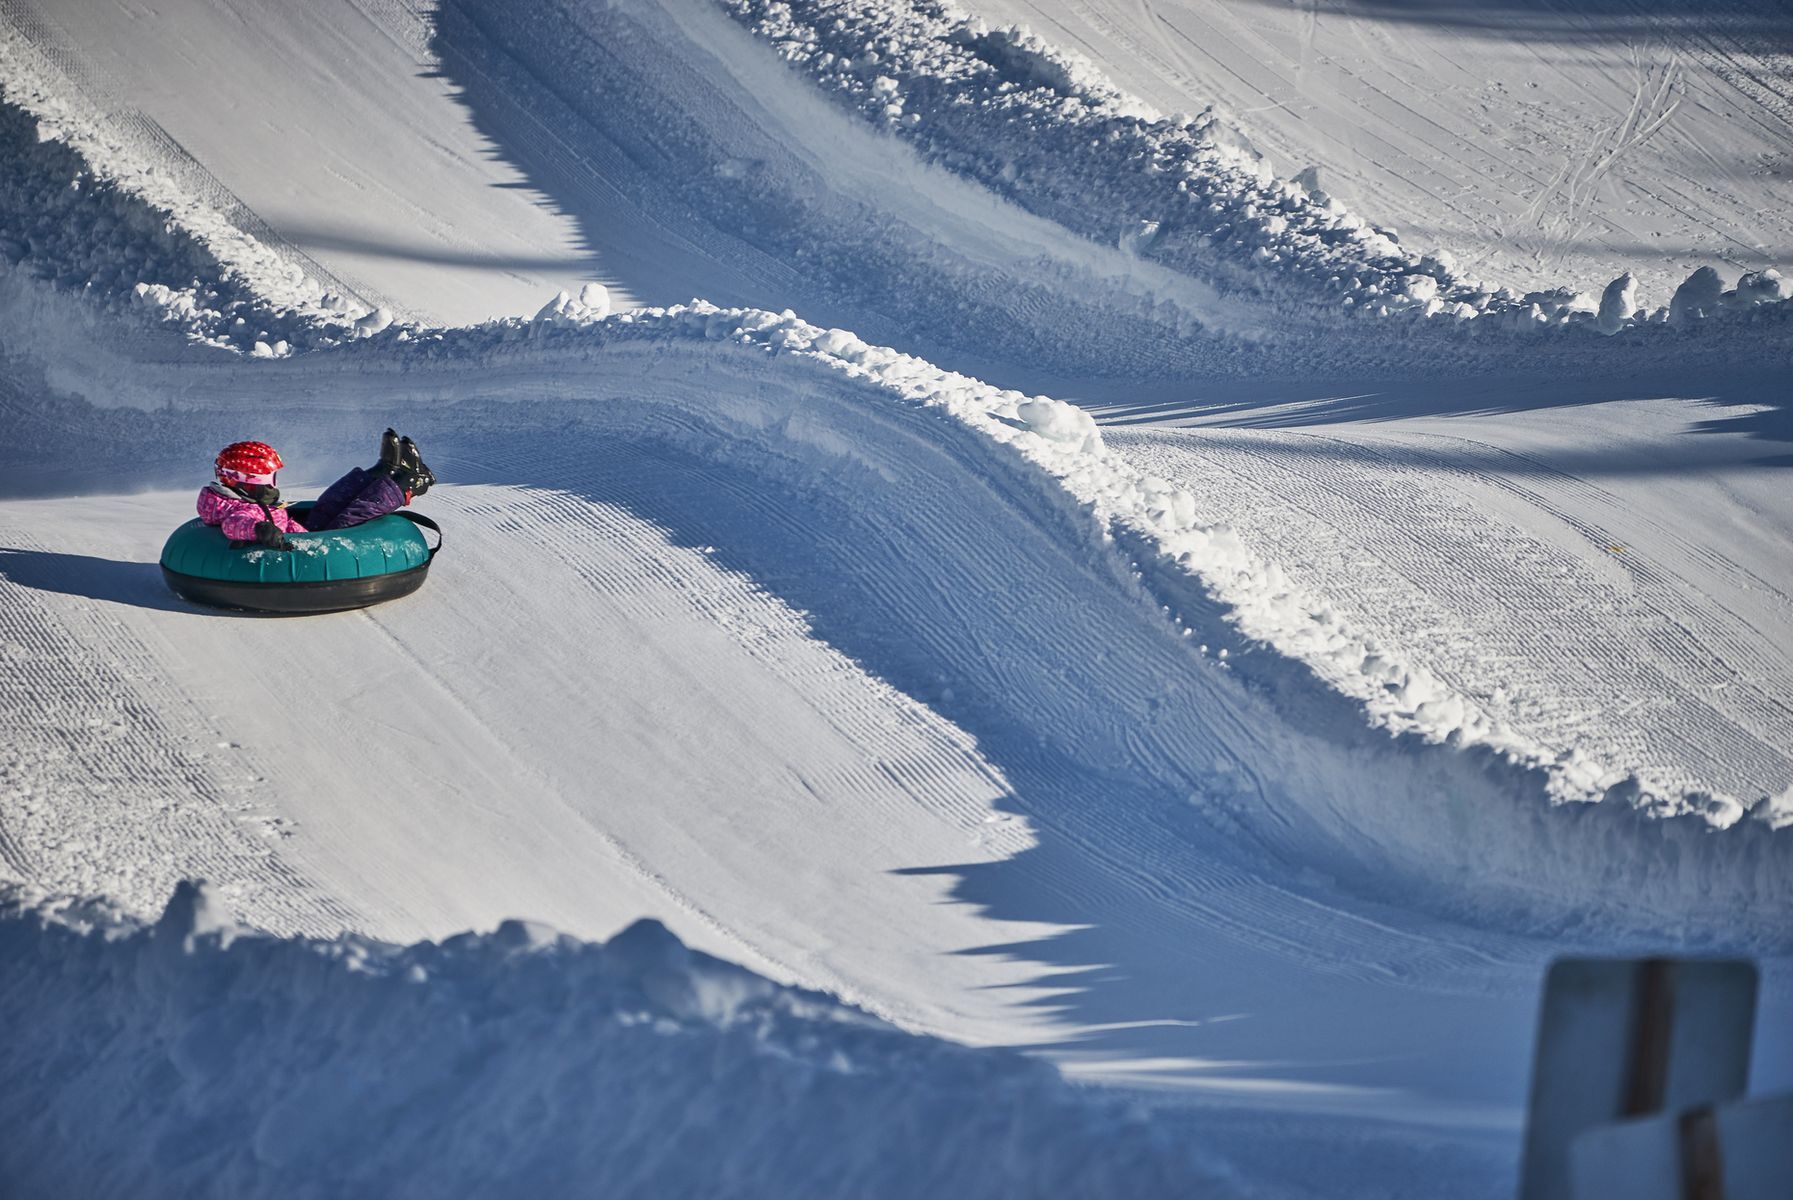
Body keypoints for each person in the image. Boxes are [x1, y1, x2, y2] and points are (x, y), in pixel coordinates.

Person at [199, 429, 433, 550]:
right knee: (351, 518)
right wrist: (259, 529)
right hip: (305, 544)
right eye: (268, 477)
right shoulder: (237, 510)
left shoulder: (238, 499)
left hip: (302, 530)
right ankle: (407, 485)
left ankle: (384, 471)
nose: (273, 483)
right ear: (246, 481)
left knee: (330, 501)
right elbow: (234, 525)